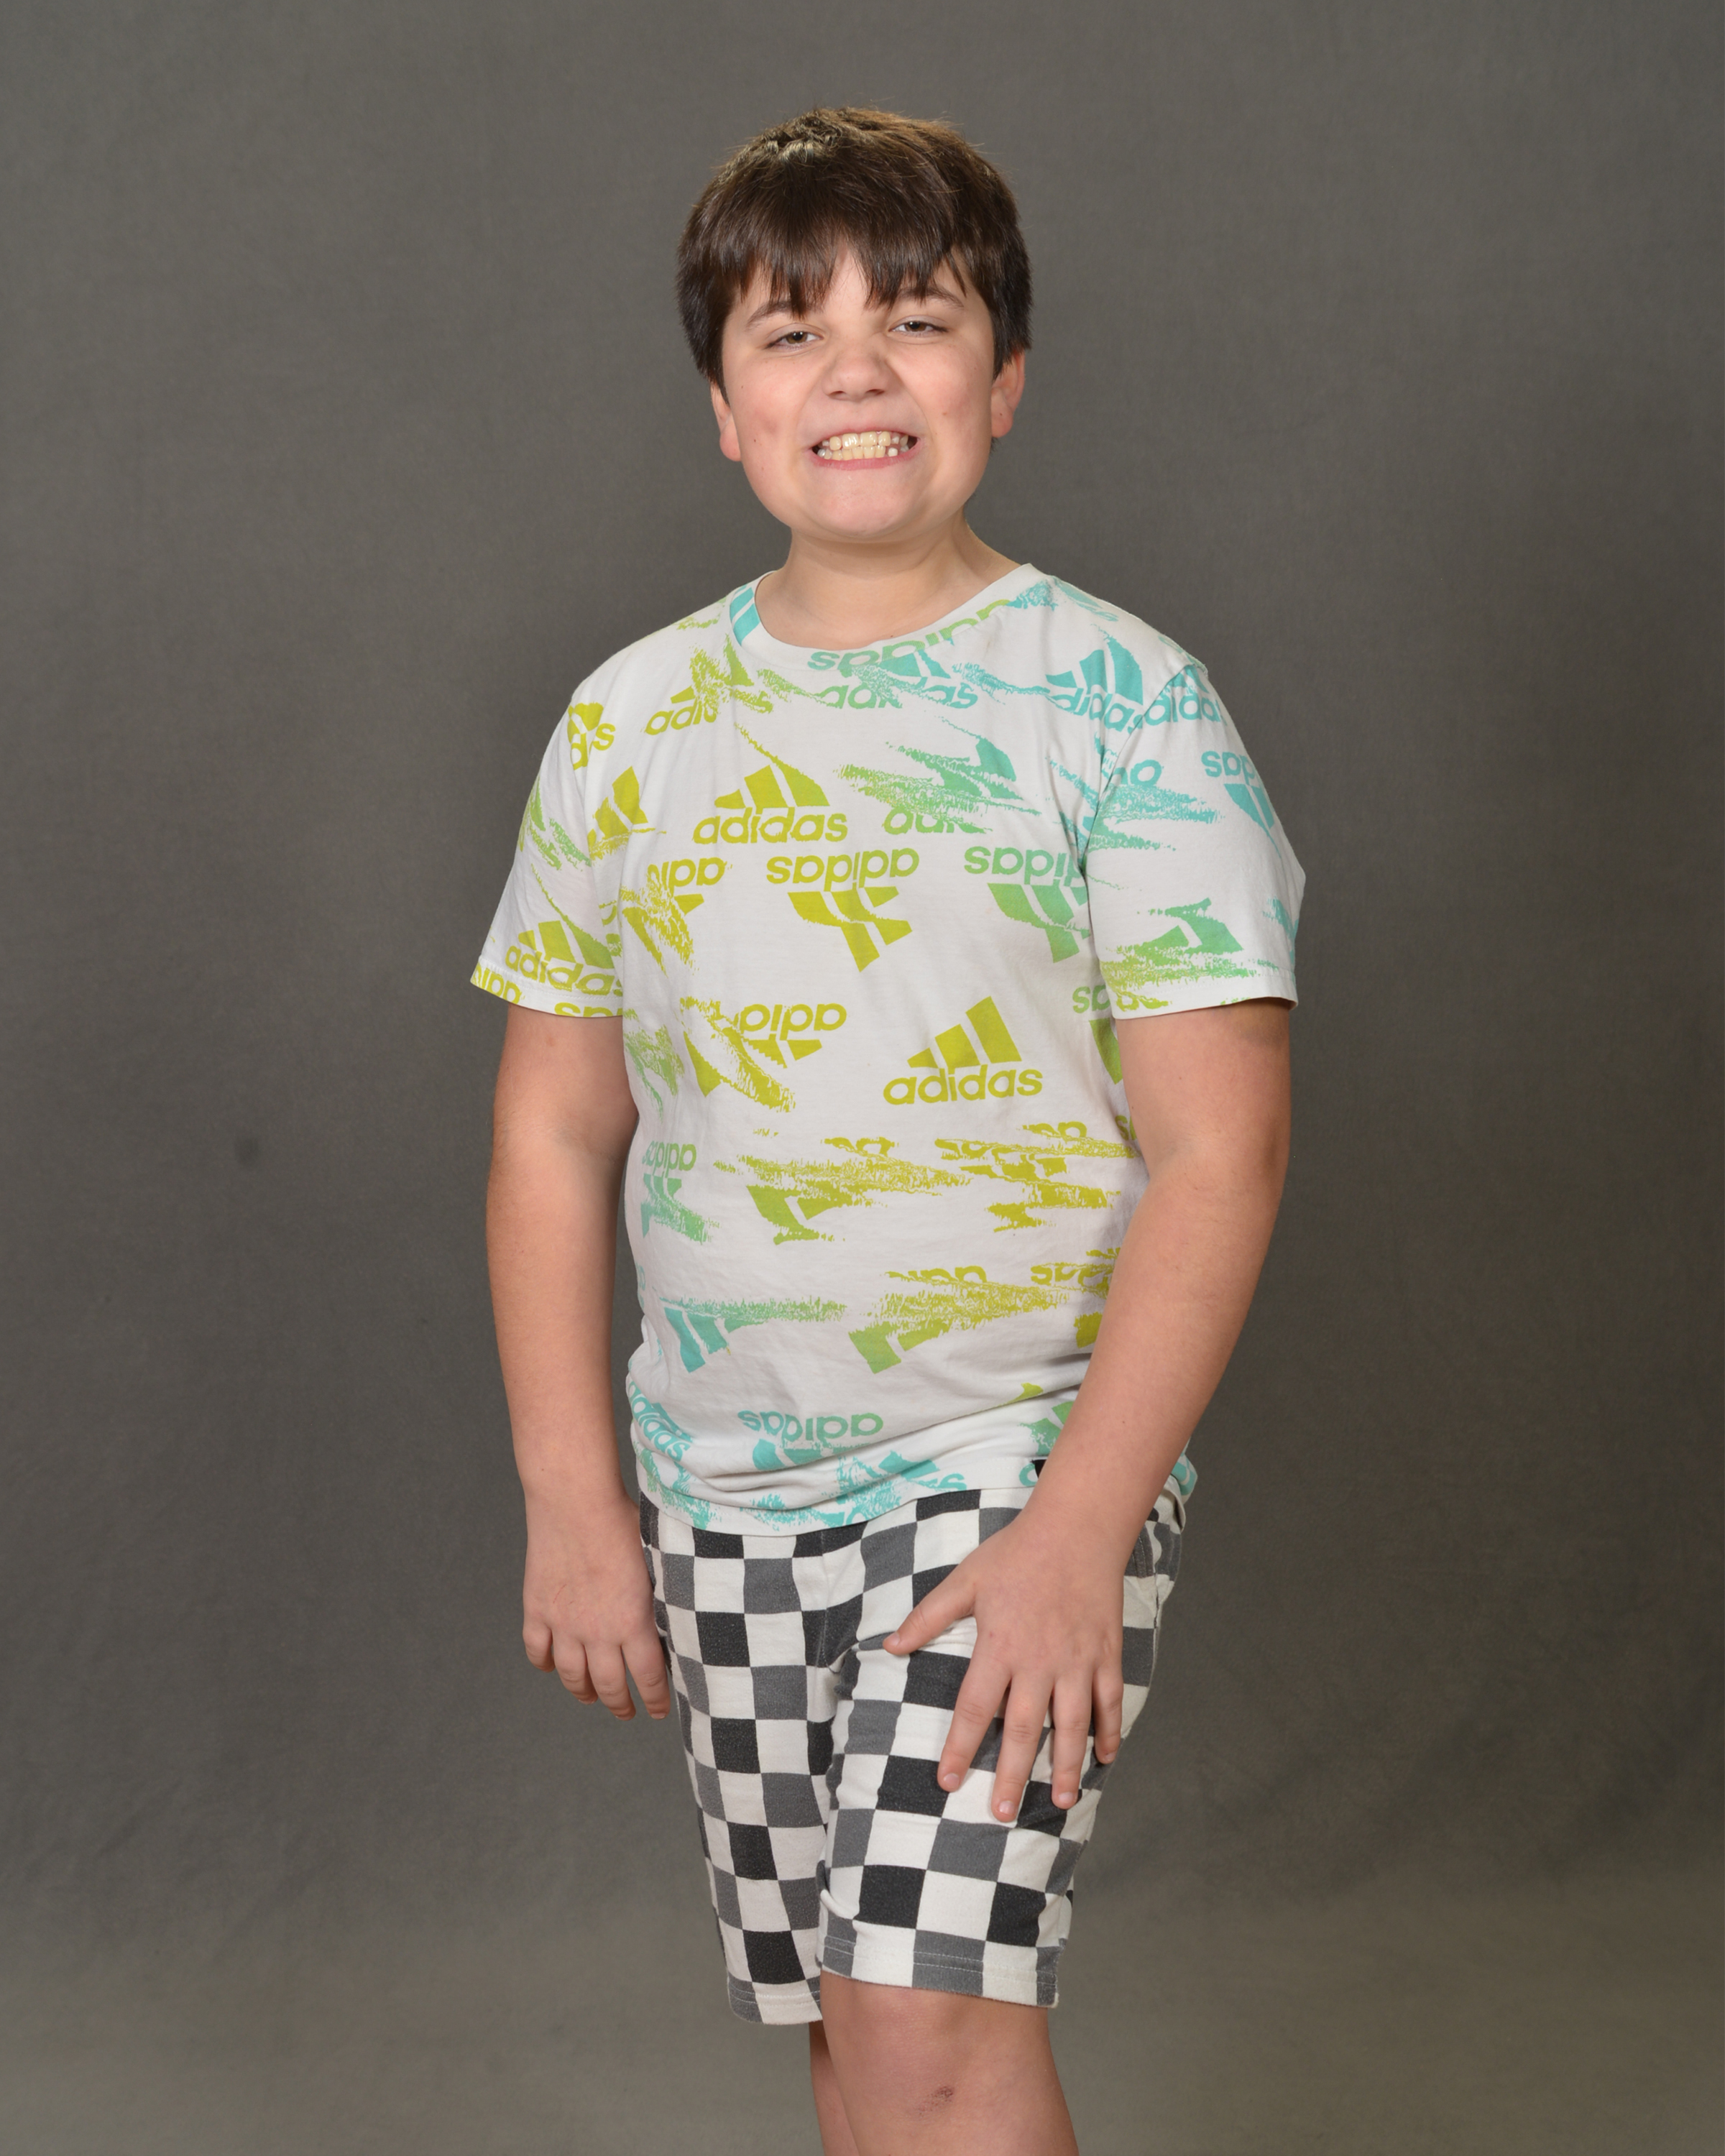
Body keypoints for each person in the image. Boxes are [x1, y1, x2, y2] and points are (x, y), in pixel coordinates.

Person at [474, 106, 1302, 2156]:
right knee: (857, 2036)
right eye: (791, 329)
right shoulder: (628, 727)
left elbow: (1222, 1152)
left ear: (1003, 383)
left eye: (916, 320)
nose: (856, 367)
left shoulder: (1125, 707)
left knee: (926, 2025)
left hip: (1010, 1463)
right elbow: (556, 1134)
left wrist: (1082, 1528)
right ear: (723, 408)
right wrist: (575, 1498)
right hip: (722, 1483)